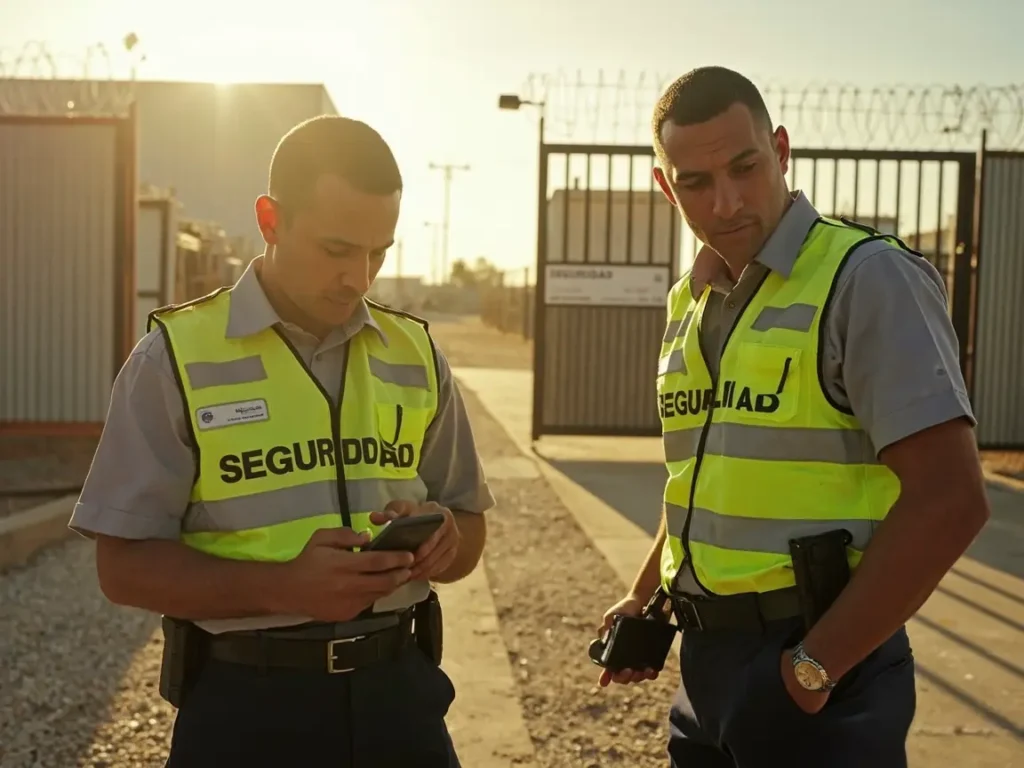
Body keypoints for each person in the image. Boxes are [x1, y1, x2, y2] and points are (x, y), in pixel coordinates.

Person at [69, 115, 494, 767]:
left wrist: (442, 538)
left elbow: (468, 529)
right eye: (336, 248)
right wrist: (285, 586)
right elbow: (122, 568)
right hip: (246, 710)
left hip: (400, 701)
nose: (360, 277)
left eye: (378, 252)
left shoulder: (415, 354)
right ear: (270, 220)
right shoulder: (173, 360)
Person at [597, 66, 991, 768]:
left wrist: (811, 671)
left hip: (819, 663)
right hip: (708, 668)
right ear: (666, 187)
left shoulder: (866, 278)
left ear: (781, 150)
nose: (725, 203)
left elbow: (952, 500)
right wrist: (644, 595)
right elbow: (701, 478)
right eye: (694, 182)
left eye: (745, 167)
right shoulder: (688, 304)